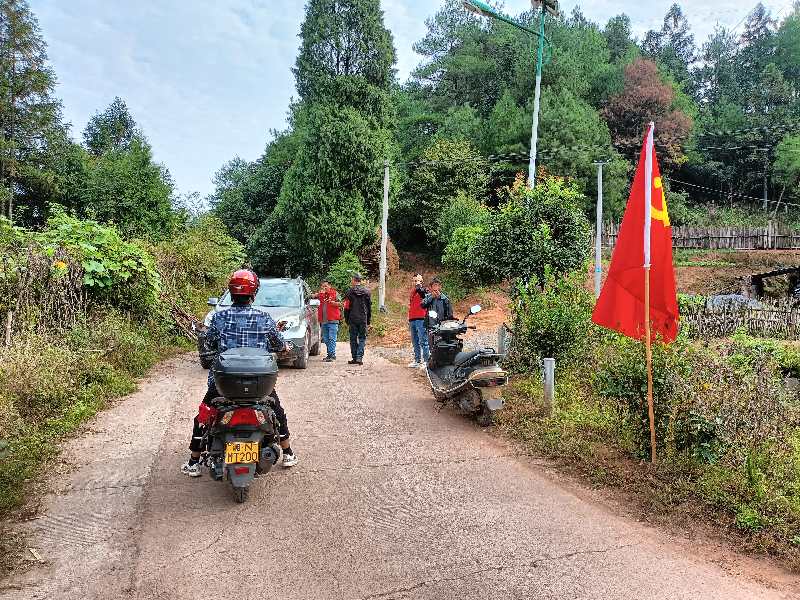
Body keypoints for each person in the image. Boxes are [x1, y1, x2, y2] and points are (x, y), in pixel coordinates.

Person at [181, 269, 298, 477]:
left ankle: (194, 461)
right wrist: (286, 347)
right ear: (254, 293)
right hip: (259, 384)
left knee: (204, 415)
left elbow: (208, 343)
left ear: (231, 292)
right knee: (277, 412)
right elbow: (279, 344)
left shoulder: (218, 318)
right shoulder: (264, 318)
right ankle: (288, 452)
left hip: (223, 384)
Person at [343, 273, 371, 366]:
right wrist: (368, 320)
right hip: (363, 318)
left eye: (352, 279)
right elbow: (369, 307)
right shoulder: (367, 292)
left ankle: (355, 357)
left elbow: (346, 307)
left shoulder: (349, 292)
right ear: (360, 280)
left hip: (352, 318)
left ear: (354, 280)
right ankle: (359, 357)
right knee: (362, 338)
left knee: (353, 338)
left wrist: (346, 319)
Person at [315, 279, 342, 362]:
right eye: (323, 286)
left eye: (326, 286)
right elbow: (312, 296)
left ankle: (332, 355)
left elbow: (341, 303)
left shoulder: (335, 293)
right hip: (324, 321)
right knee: (326, 339)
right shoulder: (321, 295)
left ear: (329, 286)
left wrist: (333, 302)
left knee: (332, 338)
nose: (324, 288)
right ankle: (330, 354)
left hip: (333, 320)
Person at [407, 273, 429, 369]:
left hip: (421, 318)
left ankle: (426, 361)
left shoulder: (424, 290)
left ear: (422, 281)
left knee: (423, 340)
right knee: (415, 341)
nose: (416, 282)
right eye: (415, 280)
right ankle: (417, 360)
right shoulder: (412, 291)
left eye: (418, 280)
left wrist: (419, 287)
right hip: (412, 318)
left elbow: (424, 296)